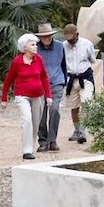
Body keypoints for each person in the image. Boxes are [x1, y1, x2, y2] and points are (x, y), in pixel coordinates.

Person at [1, 33, 52, 160]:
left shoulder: (38, 59)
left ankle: (31, 147)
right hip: (21, 96)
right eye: (32, 44)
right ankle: (26, 150)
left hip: (38, 96)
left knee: (35, 123)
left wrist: (48, 96)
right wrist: (4, 98)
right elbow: (8, 80)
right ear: (25, 47)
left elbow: (44, 77)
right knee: (27, 120)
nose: (36, 46)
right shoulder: (17, 61)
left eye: (35, 44)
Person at [34, 23, 66, 152]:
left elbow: (64, 65)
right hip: (39, 85)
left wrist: (64, 81)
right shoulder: (35, 48)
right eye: (43, 36)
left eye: (48, 35)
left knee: (54, 110)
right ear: (40, 38)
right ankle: (42, 140)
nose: (46, 38)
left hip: (56, 83)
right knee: (41, 113)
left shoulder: (60, 46)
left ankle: (52, 140)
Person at [62, 23, 96, 144]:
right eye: (68, 39)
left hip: (85, 77)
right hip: (70, 79)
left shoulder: (87, 44)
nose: (70, 41)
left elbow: (92, 60)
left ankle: (82, 131)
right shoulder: (63, 46)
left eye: (72, 38)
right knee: (74, 106)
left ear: (77, 35)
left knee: (86, 102)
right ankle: (77, 130)